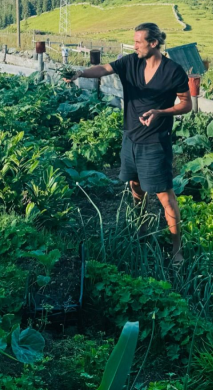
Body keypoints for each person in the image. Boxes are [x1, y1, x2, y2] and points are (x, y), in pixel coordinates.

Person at [69, 23, 192, 263]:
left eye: (138, 42)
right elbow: (104, 69)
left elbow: (186, 104)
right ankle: (141, 230)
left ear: (153, 43)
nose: (134, 46)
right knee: (135, 186)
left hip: (156, 142)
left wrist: (160, 112)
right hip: (131, 138)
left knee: (165, 196)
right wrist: (80, 73)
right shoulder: (130, 62)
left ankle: (177, 249)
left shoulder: (173, 71)